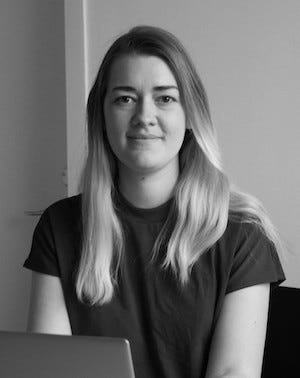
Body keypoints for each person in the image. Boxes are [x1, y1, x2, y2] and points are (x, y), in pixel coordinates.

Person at [24, 25, 286, 378]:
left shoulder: (241, 234)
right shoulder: (60, 226)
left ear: (190, 114)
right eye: (124, 98)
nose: (144, 116)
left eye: (165, 98)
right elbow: (49, 371)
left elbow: (233, 373)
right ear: (101, 116)